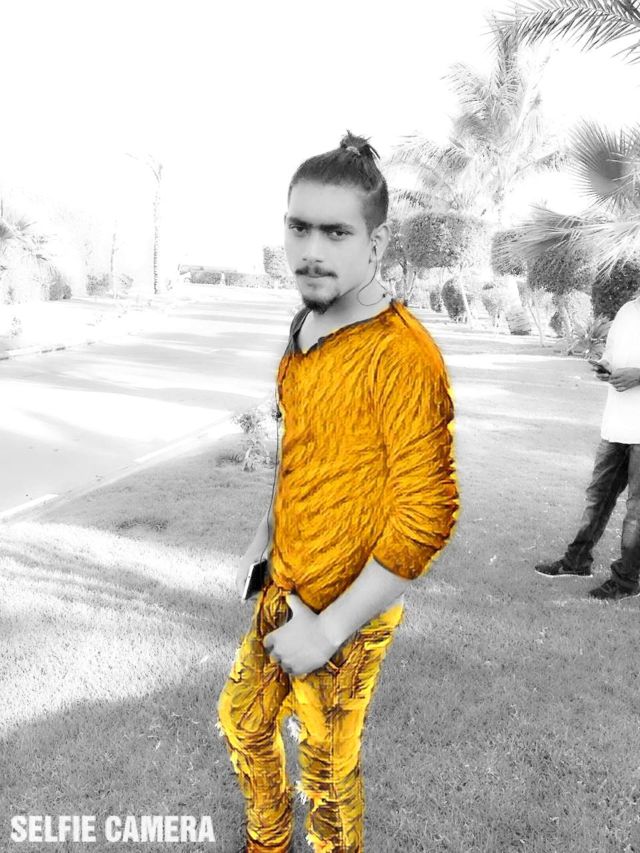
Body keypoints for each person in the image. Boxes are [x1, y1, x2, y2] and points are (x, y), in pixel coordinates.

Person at [216, 131, 458, 853]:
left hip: (346, 611)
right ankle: (267, 841)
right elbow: (301, 445)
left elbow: (427, 517)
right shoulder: (306, 323)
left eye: (336, 232)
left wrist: (326, 630)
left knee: (325, 773)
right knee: (243, 722)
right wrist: (265, 538)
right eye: (299, 228)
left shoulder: (403, 355)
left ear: (376, 244)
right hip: (284, 586)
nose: (311, 250)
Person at [535, 292, 640, 600]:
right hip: (616, 425)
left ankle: (626, 581)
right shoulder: (627, 309)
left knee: (636, 512)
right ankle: (577, 562)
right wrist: (604, 365)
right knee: (597, 499)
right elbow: (612, 352)